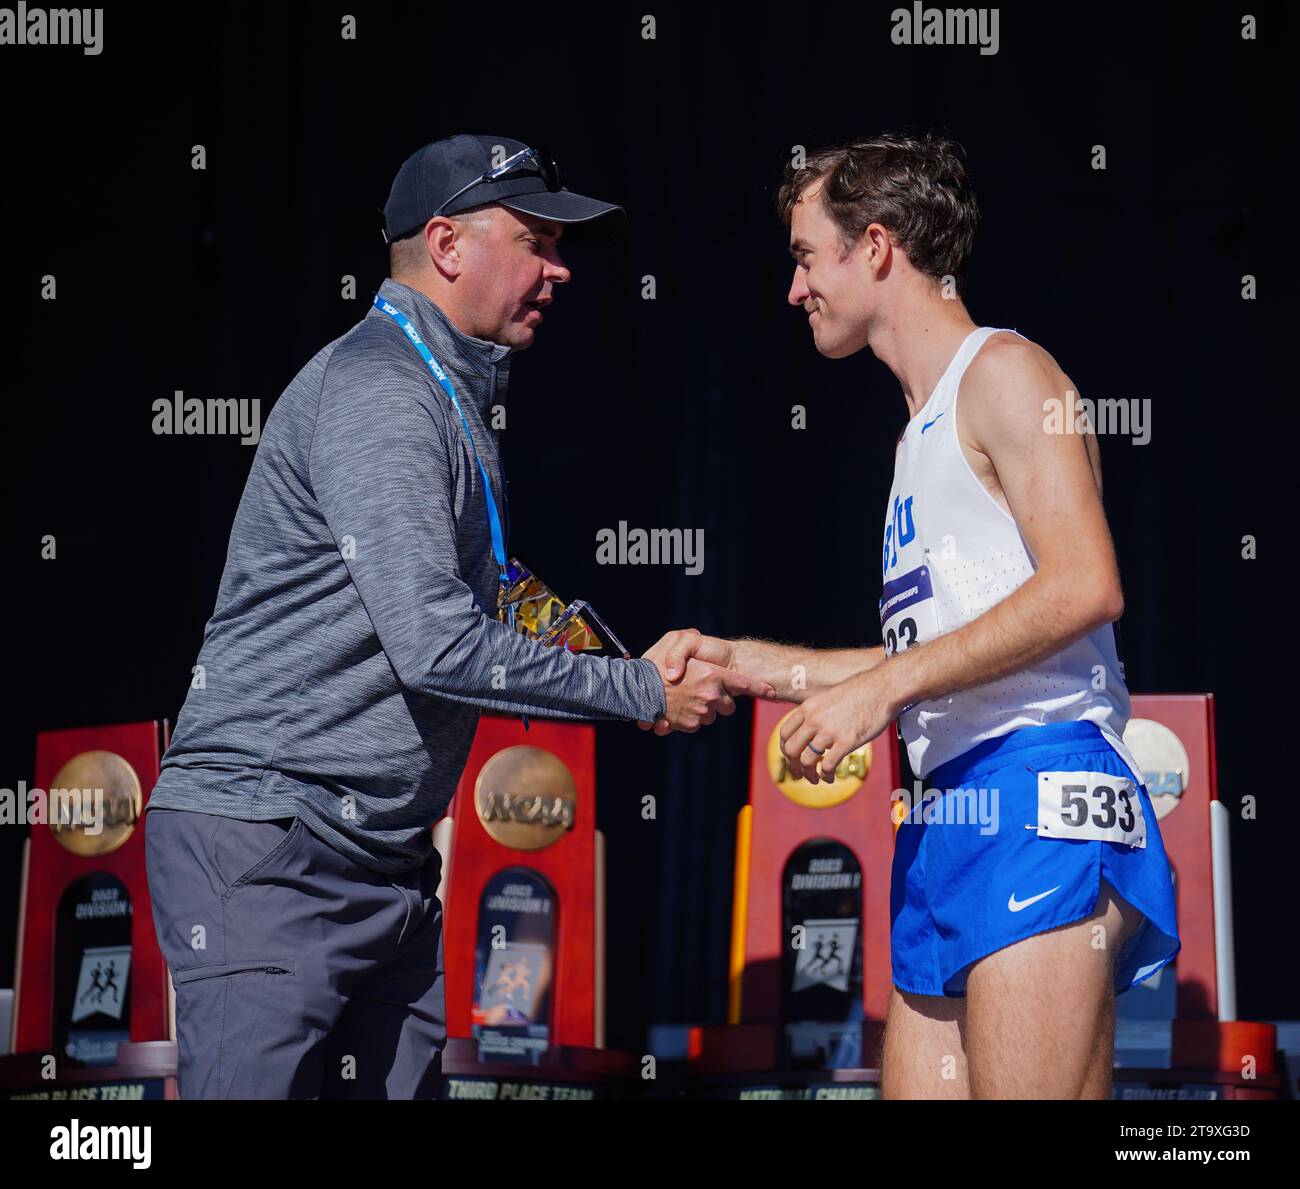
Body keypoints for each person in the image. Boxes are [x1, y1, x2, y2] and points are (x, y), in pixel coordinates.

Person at [145, 133, 770, 1100]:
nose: (559, 268)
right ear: (445, 245)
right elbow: (435, 638)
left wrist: (627, 670)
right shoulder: (381, 390)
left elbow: (491, 590)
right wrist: (638, 686)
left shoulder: (445, 394)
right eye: (535, 239)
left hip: (382, 868)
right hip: (271, 849)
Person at [650, 133, 1180, 1099]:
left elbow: (1086, 585)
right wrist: (740, 662)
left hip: (1039, 793)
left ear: (878, 246)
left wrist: (883, 690)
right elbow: (938, 655)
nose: (794, 288)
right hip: (945, 815)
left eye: (807, 256)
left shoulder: (1006, 371)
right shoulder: (918, 432)